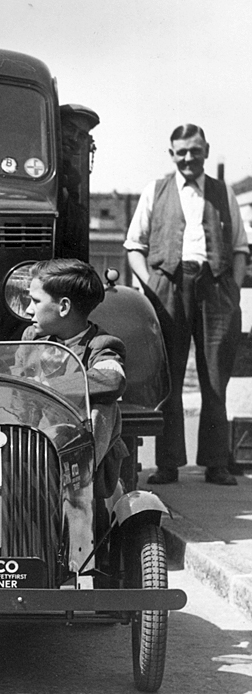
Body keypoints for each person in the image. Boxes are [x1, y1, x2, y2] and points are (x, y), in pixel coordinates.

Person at [124, 124, 248, 486]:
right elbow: (135, 245)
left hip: (216, 288)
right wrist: (152, 284)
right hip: (169, 289)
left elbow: (240, 247)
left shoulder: (223, 192)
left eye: (194, 150)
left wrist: (234, 288)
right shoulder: (156, 190)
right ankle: (168, 464)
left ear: (206, 150)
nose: (188, 158)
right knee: (169, 378)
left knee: (214, 377)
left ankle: (216, 463)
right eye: (181, 152)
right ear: (171, 154)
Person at [16, 259, 128, 488]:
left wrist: (42, 387)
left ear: (64, 307)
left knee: (105, 406)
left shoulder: (101, 345)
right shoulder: (33, 338)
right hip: (28, 448)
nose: (28, 310)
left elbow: (113, 379)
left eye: (35, 301)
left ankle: (63, 482)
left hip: (77, 468)